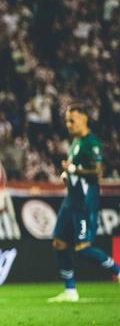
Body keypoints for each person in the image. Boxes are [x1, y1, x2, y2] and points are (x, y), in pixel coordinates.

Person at [49, 104, 120, 302]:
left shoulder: (92, 143)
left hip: (84, 202)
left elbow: (97, 172)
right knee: (59, 243)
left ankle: (118, 271)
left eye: (72, 120)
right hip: (70, 200)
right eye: (67, 121)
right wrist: (68, 175)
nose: (69, 124)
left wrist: (73, 170)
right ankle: (70, 291)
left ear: (84, 118)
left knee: (83, 248)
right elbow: (76, 170)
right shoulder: (75, 143)